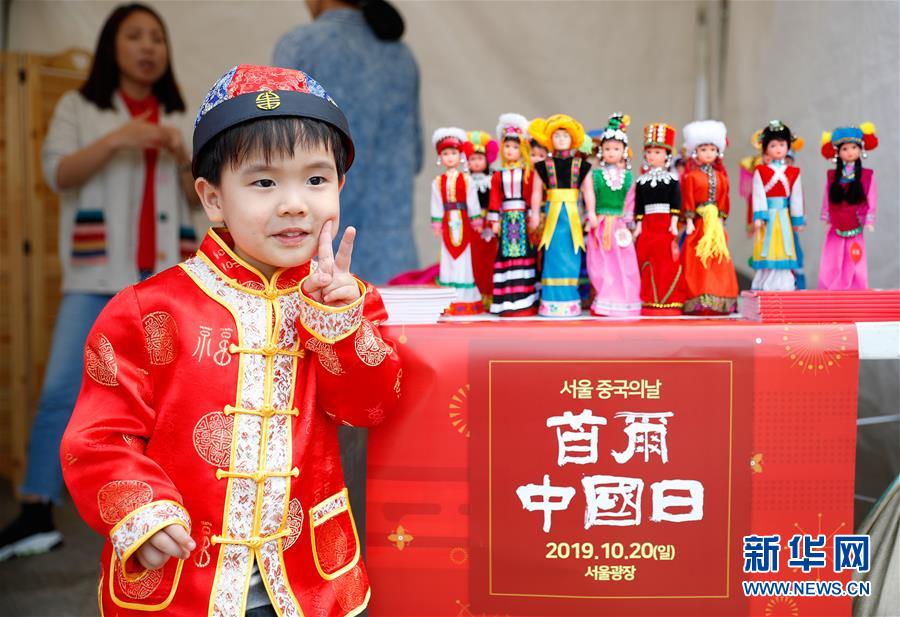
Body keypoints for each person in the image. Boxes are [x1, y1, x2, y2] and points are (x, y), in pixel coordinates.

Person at [60, 63, 401, 617]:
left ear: (340, 187)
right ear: (213, 197)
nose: (294, 203)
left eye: (316, 180)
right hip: (184, 584)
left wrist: (337, 325)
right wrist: (143, 512)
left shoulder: (352, 303)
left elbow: (370, 408)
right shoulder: (148, 310)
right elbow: (99, 437)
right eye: (264, 182)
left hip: (307, 579)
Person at [0, 2, 197, 562]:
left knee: (175, 395)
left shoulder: (180, 114)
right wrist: (119, 138)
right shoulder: (78, 106)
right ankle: (37, 509)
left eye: (157, 37)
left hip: (167, 276)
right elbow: (57, 174)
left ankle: (172, 507)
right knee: (63, 389)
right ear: (112, 45)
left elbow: (202, 198)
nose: (148, 47)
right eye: (135, 36)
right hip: (96, 274)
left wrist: (183, 156)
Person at [273, 0, 421, 285]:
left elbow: (274, 150)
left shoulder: (300, 45)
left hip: (320, 262)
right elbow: (416, 156)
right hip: (395, 258)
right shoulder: (402, 55)